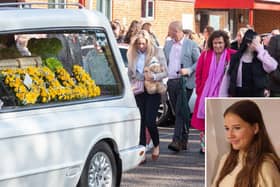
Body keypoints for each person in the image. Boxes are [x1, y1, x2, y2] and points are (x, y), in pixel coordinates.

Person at [212, 100, 280, 187]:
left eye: (237, 128)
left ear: (255, 128)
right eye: (227, 128)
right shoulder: (226, 160)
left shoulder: (265, 169)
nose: (229, 135)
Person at [191, 30, 236, 154]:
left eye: (220, 43)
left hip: (224, 94)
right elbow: (198, 74)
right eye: (215, 43)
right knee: (206, 122)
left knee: (223, 121)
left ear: (225, 42)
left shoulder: (232, 55)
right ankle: (205, 146)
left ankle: (222, 146)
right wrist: (200, 89)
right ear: (211, 43)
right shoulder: (205, 55)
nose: (217, 46)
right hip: (206, 94)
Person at [127, 30, 168, 162]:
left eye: (143, 44)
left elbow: (166, 72)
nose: (141, 46)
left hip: (153, 89)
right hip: (139, 90)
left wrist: (154, 76)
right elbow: (130, 72)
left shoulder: (157, 52)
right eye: (138, 44)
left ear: (148, 42)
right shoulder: (132, 54)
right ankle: (142, 151)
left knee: (150, 120)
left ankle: (156, 145)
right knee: (141, 121)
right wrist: (130, 83)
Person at [163, 21, 200, 152]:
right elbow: (163, 61)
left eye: (170, 30)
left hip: (185, 82)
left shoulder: (191, 44)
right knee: (180, 112)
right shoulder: (167, 45)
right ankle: (184, 140)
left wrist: (189, 70)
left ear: (177, 31)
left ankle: (176, 140)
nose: (168, 33)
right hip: (171, 81)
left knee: (179, 111)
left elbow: (199, 61)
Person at [220, 29, 278, 97]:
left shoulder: (261, 57)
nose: (260, 45)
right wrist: (223, 96)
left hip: (257, 94)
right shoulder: (236, 58)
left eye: (260, 42)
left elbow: (273, 66)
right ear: (248, 43)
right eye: (257, 42)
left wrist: (261, 51)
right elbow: (227, 78)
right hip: (239, 93)